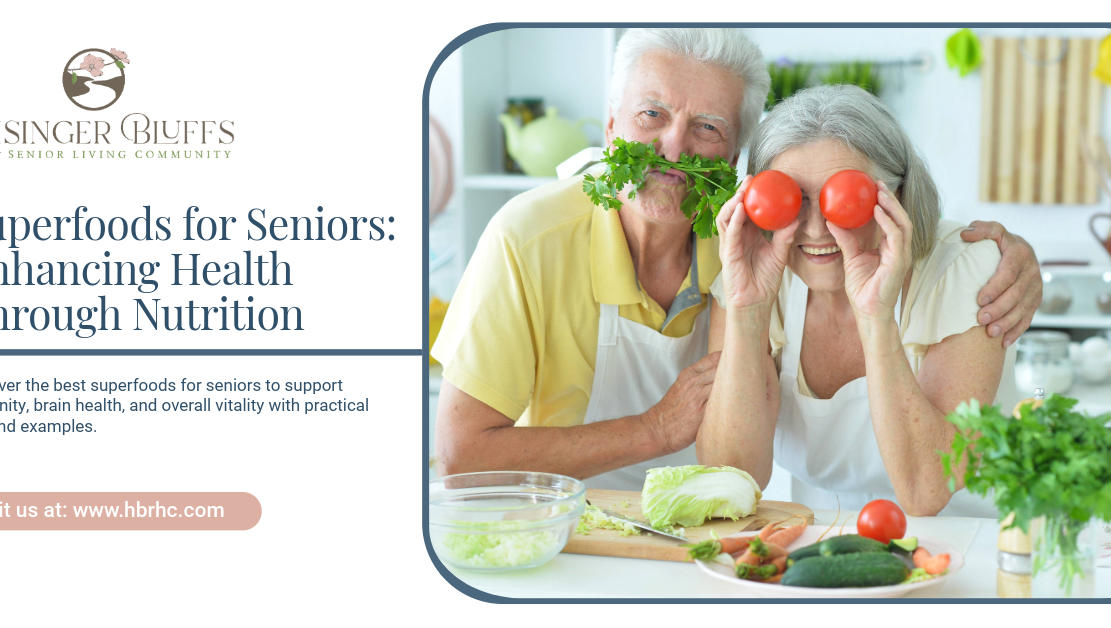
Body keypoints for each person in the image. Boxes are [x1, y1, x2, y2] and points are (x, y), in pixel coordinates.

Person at [431, 28, 1042, 492]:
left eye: (708, 127)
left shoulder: (752, 237)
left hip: (723, 530)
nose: (674, 146)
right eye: (651, 115)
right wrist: (657, 426)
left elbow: (926, 483)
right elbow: (459, 455)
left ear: (733, 160)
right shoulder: (530, 238)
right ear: (611, 124)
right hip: (564, 521)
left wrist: (1014, 256)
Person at [698, 84, 1015, 517]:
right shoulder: (754, 272)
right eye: (789, 199)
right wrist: (746, 311)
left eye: (844, 200)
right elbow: (728, 479)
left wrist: (877, 317)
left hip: (976, 546)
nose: (814, 229)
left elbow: (927, 490)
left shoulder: (963, 271)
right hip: (825, 549)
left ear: (896, 197)